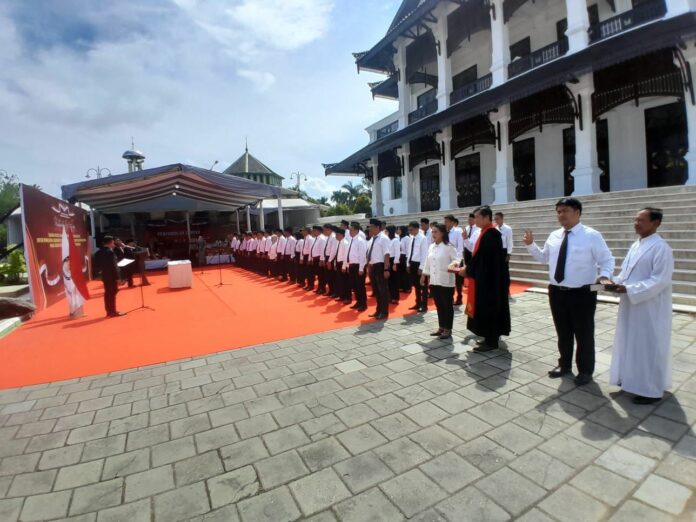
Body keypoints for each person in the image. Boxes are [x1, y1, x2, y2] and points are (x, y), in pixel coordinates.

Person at [523, 197, 614, 386]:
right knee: (562, 331)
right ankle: (564, 365)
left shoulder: (591, 235)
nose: (561, 215)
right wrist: (531, 245)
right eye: (558, 211)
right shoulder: (554, 236)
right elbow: (544, 258)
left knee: (584, 332)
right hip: (557, 291)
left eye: (565, 211)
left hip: (582, 293)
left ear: (577, 213)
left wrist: (605, 275)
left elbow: (607, 259)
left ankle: (585, 370)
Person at [609, 208, 674, 404]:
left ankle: (650, 390)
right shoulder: (636, 245)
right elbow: (626, 274)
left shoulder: (662, 248)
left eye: (641, 220)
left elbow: (660, 280)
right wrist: (612, 282)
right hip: (631, 304)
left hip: (649, 307)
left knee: (647, 346)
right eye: (635, 220)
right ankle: (630, 381)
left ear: (656, 223)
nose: (636, 223)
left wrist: (628, 289)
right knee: (629, 343)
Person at [459, 206, 510, 352]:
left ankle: (491, 341)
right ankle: (488, 337)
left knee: (490, 309)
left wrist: (468, 270)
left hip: (490, 281)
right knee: (485, 308)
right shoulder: (484, 233)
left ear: (486, 217)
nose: (475, 220)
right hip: (485, 279)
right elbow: (478, 257)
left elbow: (482, 259)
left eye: (477, 217)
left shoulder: (491, 235)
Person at [422, 223, 459, 340]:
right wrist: (424, 275)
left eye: (435, 232)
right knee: (439, 305)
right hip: (434, 281)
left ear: (442, 233)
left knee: (447, 306)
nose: (433, 234)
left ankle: (448, 329)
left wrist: (453, 264)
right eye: (432, 232)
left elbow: (456, 259)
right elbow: (427, 262)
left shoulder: (449, 247)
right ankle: (441, 327)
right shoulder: (431, 246)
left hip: (446, 281)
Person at [93, 235, 125, 317]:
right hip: (112, 276)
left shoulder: (98, 253)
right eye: (113, 242)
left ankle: (109, 311)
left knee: (108, 293)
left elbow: (96, 265)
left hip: (104, 276)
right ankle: (112, 311)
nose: (114, 244)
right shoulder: (110, 253)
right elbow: (114, 266)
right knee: (112, 293)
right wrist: (118, 278)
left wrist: (100, 274)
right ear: (111, 242)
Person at [366, 218, 391, 320]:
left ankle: (384, 312)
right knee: (376, 290)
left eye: (371, 227)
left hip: (380, 266)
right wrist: (368, 266)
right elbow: (369, 253)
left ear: (377, 227)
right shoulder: (372, 239)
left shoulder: (383, 238)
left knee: (382, 290)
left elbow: (386, 254)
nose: (369, 229)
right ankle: (378, 310)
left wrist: (386, 269)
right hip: (373, 266)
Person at [407, 221, 429, 313]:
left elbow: (424, 254)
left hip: (419, 264)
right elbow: (409, 251)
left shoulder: (423, 238)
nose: (410, 231)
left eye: (411, 229)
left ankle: (424, 305)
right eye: (409, 230)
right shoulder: (412, 237)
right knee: (416, 286)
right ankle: (418, 303)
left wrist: (421, 267)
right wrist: (408, 264)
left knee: (423, 286)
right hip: (412, 263)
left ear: (416, 228)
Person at [346, 222, 367, 311]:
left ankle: (363, 304)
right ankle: (358, 302)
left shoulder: (360, 240)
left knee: (360, 286)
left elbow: (363, 256)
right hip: (352, 265)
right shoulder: (351, 239)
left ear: (356, 230)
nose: (349, 231)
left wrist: (361, 268)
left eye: (351, 229)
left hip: (358, 266)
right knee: (354, 285)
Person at [444, 215, 464, 305]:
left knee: (458, 281)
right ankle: (450, 298)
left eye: (447, 221)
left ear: (452, 222)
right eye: (445, 221)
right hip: (447, 260)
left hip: (456, 259)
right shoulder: (444, 232)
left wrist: (458, 262)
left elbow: (460, 247)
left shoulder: (458, 232)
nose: (445, 223)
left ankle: (459, 297)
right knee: (448, 280)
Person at [494, 212, 513, 297]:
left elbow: (510, 241)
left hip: (504, 251)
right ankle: (499, 289)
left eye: (497, 218)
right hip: (497, 251)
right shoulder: (495, 229)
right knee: (497, 271)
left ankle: (507, 289)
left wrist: (509, 253)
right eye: (495, 219)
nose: (496, 220)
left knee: (505, 272)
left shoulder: (508, 229)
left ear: (502, 218)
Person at [386, 225, 401, 304]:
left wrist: (395, 263)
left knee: (394, 280)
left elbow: (397, 252)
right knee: (389, 280)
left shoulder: (396, 240)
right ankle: (390, 296)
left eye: (387, 231)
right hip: (388, 260)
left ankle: (395, 297)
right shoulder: (387, 239)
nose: (386, 233)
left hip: (394, 260)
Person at [398, 225, 411, 293]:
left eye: (399, 230)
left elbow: (408, 250)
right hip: (400, 257)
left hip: (405, 257)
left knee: (405, 273)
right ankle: (401, 286)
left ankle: (407, 287)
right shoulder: (399, 238)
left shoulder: (406, 238)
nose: (398, 231)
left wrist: (407, 260)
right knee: (400, 273)